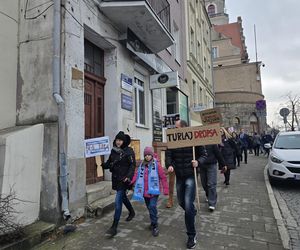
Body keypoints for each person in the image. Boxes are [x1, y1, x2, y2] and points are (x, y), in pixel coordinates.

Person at [166, 120, 207, 249]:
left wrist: (198, 161)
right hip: (179, 175)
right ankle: (192, 211)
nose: (175, 128)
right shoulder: (173, 139)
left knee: (188, 204)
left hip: (190, 175)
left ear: (184, 128)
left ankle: (191, 235)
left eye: (177, 127)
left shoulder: (194, 138)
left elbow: (204, 155)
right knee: (181, 202)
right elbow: (168, 155)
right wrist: (170, 165)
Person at [102, 131, 136, 237]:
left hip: (124, 180)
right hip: (116, 178)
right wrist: (102, 165)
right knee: (123, 197)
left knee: (118, 201)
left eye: (120, 140)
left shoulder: (129, 151)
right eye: (117, 140)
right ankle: (132, 211)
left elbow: (132, 165)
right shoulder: (113, 151)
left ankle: (114, 226)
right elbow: (110, 162)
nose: (118, 142)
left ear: (124, 141)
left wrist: (129, 177)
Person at [131, 146, 169, 237]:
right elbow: (136, 174)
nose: (147, 156)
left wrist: (166, 189)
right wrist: (131, 181)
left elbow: (163, 177)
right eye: (146, 155)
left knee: (152, 206)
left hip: (154, 191)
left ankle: (155, 225)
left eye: (149, 155)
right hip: (145, 192)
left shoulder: (156, 165)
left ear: (152, 155)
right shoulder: (142, 165)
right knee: (150, 208)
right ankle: (153, 221)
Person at [199, 144, 226, 212]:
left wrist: (223, 164)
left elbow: (217, 153)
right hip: (202, 165)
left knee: (211, 184)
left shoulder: (212, 142)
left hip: (211, 164)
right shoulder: (198, 143)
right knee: (204, 183)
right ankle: (209, 195)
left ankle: (212, 203)